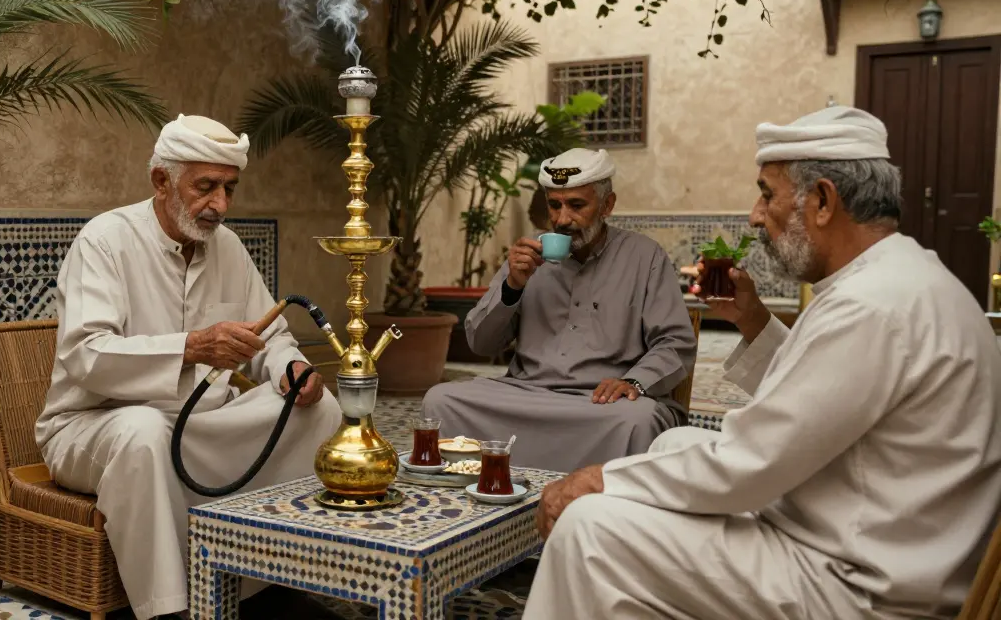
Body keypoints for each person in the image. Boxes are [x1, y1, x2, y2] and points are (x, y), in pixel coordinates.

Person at [524, 106, 1001, 620]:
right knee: (674, 441)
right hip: (868, 530)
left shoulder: (872, 306)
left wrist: (601, 480)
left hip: (859, 585)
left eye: (768, 194)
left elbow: (750, 463)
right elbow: (817, 400)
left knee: (589, 527)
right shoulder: (898, 278)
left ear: (822, 200)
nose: (756, 214)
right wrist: (752, 320)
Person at [34, 115, 344, 620]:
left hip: (199, 426)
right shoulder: (105, 241)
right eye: (205, 187)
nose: (220, 205)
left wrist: (291, 369)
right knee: (143, 432)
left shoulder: (228, 246)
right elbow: (86, 354)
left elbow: (271, 335)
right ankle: (173, 611)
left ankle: (269, 580)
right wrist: (191, 348)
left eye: (229, 189)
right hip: (95, 424)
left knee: (319, 410)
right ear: (161, 181)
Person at [422, 148, 697, 473]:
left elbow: (675, 344)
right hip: (525, 393)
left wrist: (634, 382)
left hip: (601, 405)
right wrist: (512, 286)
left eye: (577, 205)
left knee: (638, 421)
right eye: (555, 205)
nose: (563, 219)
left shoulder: (644, 257)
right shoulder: (527, 256)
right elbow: (480, 344)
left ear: (607, 205)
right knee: (441, 400)